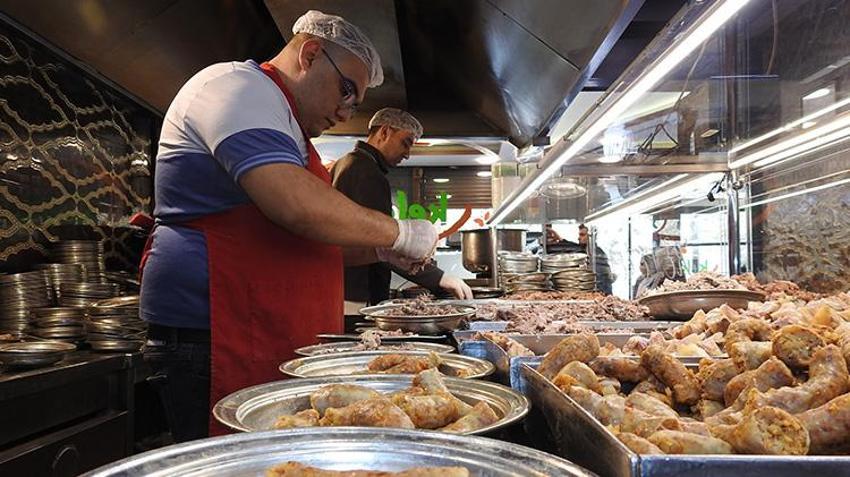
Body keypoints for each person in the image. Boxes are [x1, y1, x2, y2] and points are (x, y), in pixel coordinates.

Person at [139, 10, 437, 441]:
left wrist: (377, 250)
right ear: (311, 54)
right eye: (346, 89)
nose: (345, 109)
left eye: (354, 100)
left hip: (266, 330)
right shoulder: (236, 88)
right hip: (218, 334)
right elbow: (294, 205)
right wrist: (400, 232)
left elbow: (305, 240)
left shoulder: (288, 127)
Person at [330, 108, 473, 310]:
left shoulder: (346, 163)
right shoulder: (366, 172)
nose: (407, 154)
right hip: (359, 294)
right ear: (385, 132)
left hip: (347, 289)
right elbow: (384, 242)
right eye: (405, 143)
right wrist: (441, 278)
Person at [545, 223, 614, 294]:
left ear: (591, 236)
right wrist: (560, 240)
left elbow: (599, 280)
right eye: (579, 235)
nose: (578, 238)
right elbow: (572, 247)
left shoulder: (597, 253)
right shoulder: (585, 249)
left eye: (582, 235)